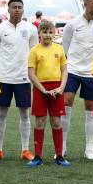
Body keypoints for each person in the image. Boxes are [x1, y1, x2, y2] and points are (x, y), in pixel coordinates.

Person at [0, 0, 39, 162]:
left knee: (25, 114)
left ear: (23, 10)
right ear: (8, 10)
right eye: (14, 7)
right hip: (4, 77)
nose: (17, 10)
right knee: (1, 113)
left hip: (23, 78)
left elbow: (34, 53)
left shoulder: (31, 29)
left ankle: (25, 149)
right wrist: (1, 68)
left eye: (20, 7)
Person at [61, 0, 93, 160]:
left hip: (91, 72)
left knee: (91, 108)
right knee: (66, 104)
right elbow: (64, 47)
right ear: (85, 3)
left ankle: (89, 149)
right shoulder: (73, 24)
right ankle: (63, 146)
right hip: (72, 70)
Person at [27, 20, 70, 167]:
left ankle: (59, 156)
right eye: (44, 32)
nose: (47, 35)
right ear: (39, 33)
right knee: (40, 122)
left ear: (54, 33)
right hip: (41, 89)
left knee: (56, 122)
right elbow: (31, 74)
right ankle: (37, 156)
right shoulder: (34, 51)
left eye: (50, 32)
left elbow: (64, 70)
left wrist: (61, 88)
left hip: (57, 88)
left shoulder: (59, 49)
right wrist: (43, 90)